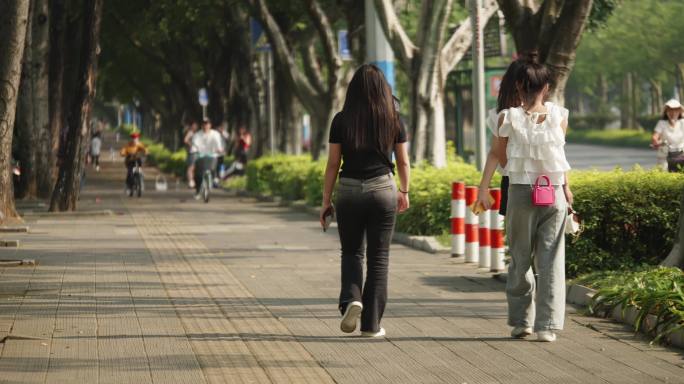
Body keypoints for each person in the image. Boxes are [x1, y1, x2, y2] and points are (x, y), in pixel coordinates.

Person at [476, 52, 572, 342]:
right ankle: (547, 326)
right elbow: (560, 155)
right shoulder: (560, 115)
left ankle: (522, 322)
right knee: (551, 260)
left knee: (520, 259)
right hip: (553, 192)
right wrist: (567, 187)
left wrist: (483, 188)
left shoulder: (507, 117)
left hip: (520, 192)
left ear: (518, 87)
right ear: (546, 88)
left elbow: (497, 154)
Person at [320, 64, 410, 337]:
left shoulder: (341, 120)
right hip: (383, 189)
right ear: (384, 90)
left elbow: (333, 164)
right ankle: (372, 325)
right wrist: (404, 191)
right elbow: (404, 161)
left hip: (348, 191)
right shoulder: (394, 119)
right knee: (379, 258)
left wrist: (326, 201)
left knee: (351, 252)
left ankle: (351, 299)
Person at [485, 58, 525, 215]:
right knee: (518, 238)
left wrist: (565, 186)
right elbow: (495, 153)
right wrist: (483, 188)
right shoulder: (501, 115)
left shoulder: (549, 112)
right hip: (513, 182)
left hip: (543, 182)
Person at [191, 118, 224, 198]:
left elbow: (218, 145)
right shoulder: (197, 135)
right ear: (202, 125)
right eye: (204, 124)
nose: (206, 126)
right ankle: (198, 191)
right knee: (198, 174)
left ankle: (216, 178)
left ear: (210, 125)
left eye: (207, 124)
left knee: (213, 168)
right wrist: (194, 150)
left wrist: (219, 149)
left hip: (212, 156)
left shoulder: (215, 134)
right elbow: (194, 145)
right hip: (201, 156)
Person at [651, 99, 684, 172]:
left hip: (681, 153)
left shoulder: (682, 122)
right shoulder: (661, 123)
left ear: (679, 112)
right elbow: (655, 136)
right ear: (666, 112)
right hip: (665, 154)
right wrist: (656, 142)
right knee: (663, 172)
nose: (673, 113)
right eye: (670, 110)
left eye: (676, 110)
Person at [184, 121, 199, 188]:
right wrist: (191, 145)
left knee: (194, 167)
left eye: (196, 125)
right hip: (192, 152)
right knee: (191, 167)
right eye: (194, 125)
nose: (195, 127)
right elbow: (185, 140)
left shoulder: (197, 133)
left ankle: (193, 181)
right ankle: (190, 181)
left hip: (196, 152)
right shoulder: (191, 132)